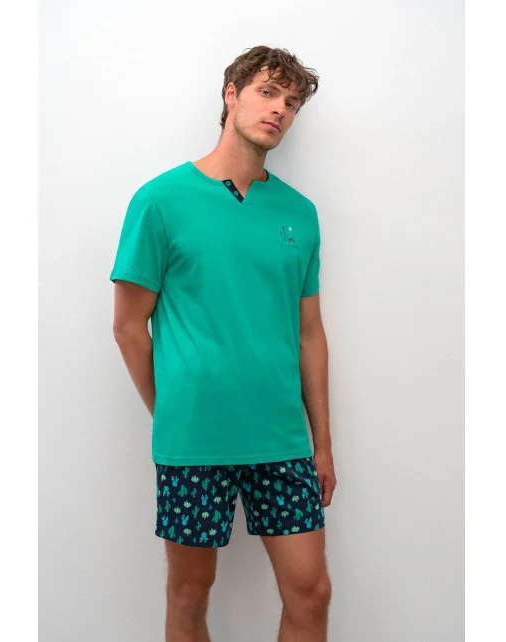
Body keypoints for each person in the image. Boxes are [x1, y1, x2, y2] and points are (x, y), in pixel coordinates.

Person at [110, 45, 336, 642]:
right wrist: (172, 409)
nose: (280, 109)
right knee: (190, 594)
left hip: (281, 439)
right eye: (268, 92)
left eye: (292, 103)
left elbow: (310, 334)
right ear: (231, 95)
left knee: (311, 592)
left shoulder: (300, 213)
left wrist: (323, 444)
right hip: (194, 441)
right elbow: (128, 326)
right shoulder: (160, 201)